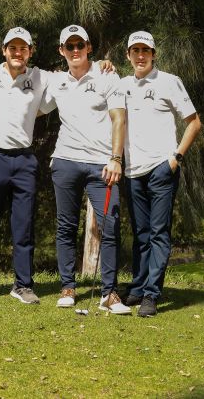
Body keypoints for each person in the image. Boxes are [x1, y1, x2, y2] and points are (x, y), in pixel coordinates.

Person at [0, 27, 115, 305]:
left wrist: (100, 65)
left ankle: (23, 285)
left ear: (30, 52)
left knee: (23, 224)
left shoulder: (40, 77)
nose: (18, 53)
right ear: (4, 51)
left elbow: (75, 69)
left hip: (25, 159)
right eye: (12, 48)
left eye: (23, 48)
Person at [40, 24, 132, 314]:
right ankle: (68, 287)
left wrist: (116, 158)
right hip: (65, 161)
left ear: (89, 47)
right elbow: (20, 80)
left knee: (110, 225)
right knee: (66, 226)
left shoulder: (107, 74)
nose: (76, 50)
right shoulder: (55, 81)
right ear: (62, 51)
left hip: (101, 165)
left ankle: (109, 293)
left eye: (80, 45)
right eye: (70, 46)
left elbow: (119, 118)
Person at [118, 31, 202, 317]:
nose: (140, 55)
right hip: (132, 171)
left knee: (158, 234)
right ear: (128, 55)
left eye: (145, 50)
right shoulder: (122, 84)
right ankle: (139, 288)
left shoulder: (169, 81)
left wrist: (176, 158)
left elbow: (194, 122)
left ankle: (152, 294)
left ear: (153, 54)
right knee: (141, 234)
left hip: (161, 169)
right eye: (135, 50)